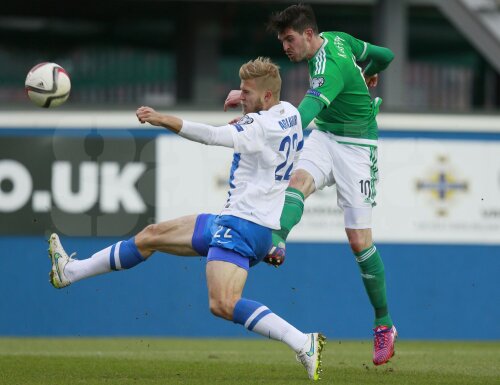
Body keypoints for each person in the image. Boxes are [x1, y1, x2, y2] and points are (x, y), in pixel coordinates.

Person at [48, 57, 326, 381]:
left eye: (247, 91)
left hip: (242, 227)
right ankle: (70, 271)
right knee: (151, 235)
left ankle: (301, 341)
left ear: (266, 97)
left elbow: (210, 135)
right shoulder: (289, 113)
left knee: (223, 304)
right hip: (238, 221)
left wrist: (161, 118)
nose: (241, 95)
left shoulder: (257, 127)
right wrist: (247, 101)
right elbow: (265, 114)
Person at [224, 4, 396, 366]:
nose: (286, 47)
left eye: (289, 39)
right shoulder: (339, 39)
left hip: (357, 147)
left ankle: (384, 325)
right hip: (328, 136)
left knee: (359, 241)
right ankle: (277, 241)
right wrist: (371, 72)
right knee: (297, 182)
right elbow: (386, 55)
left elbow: (302, 118)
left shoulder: (328, 67)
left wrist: (255, 120)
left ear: (308, 35)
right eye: (282, 40)